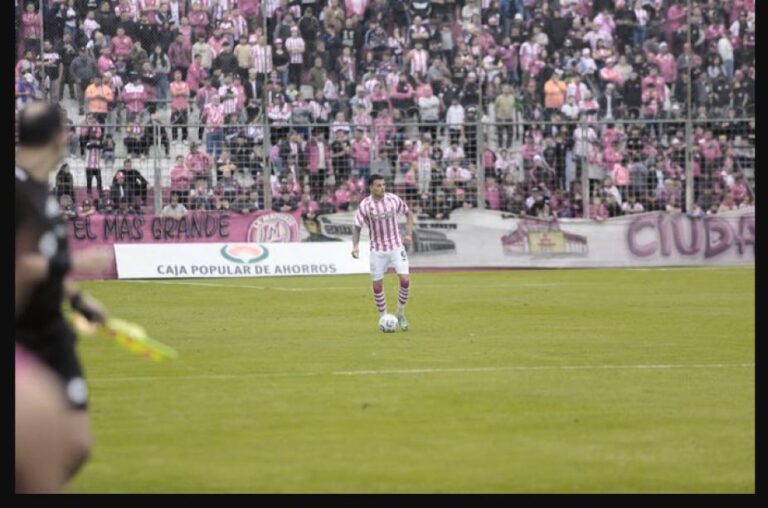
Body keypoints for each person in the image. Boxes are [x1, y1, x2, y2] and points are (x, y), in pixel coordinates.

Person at [15, 102, 112, 491]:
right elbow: (22, 265)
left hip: (52, 330)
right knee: (41, 448)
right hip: (21, 334)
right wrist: (76, 261)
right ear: (60, 137)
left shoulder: (41, 188)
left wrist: (76, 298)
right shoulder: (15, 190)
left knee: (76, 444)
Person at [351, 174, 414, 331]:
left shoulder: (393, 199)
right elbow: (357, 226)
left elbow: (409, 214)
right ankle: (384, 317)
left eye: (383, 185)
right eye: (378, 185)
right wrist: (355, 246)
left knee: (405, 280)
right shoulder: (365, 205)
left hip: (396, 246)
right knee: (377, 286)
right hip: (377, 250)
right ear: (371, 187)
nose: (382, 188)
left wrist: (408, 234)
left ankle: (400, 313)